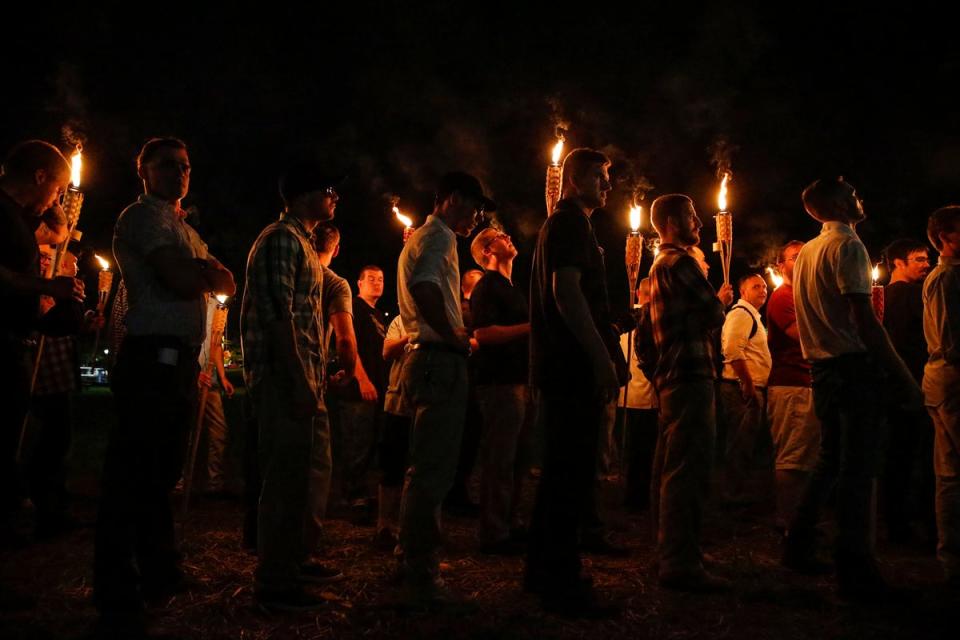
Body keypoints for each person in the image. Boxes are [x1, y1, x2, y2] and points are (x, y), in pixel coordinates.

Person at [95, 137, 235, 633]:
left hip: (177, 362)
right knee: (133, 472)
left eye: (185, 166)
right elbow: (182, 281)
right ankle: (116, 584)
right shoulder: (142, 217)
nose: (179, 173)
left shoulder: (183, 228)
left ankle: (159, 570)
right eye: (168, 165)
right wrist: (201, 271)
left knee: (160, 473)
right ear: (145, 172)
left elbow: (228, 283)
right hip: (149, 358)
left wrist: (198, 269)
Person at [782, 177, 921, 601]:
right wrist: (900, 374)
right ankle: (855, 568)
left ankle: (797, 544)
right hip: (852, 367)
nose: (861, 198)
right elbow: (863, 318)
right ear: (840, 203)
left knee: (830, 459)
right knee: (858, 469)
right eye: (854, 194)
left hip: (822, 367)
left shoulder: (807, 252)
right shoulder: (848, 247)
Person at [526, 148, 626, 616]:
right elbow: (566, 293)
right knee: (571, 472)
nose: (608, 185)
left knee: (561, 472)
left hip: (564, 366)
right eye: (601, 176)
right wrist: (600, 357)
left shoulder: (570, 224)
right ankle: (561, 580)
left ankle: (541, 569)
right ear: (574, 179)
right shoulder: (567, 223)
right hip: (571, 367)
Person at [241, 162, 343, 611]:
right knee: (284, 481)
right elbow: (277, 314)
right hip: (285, 380)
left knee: (304, 477)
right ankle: (275, 582)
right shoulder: (281, 238)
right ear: (303, 196)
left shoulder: (302, 241)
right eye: (327, 189)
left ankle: (293, 561)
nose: (334, 197)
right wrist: (299, 381)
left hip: (305, 379)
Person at [395, 171, 493, 608]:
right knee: (433, 469)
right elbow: (424, 286)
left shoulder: (422, 238)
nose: (478, 216)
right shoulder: (440, 238)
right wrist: (453, 336)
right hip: (437, 359)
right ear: (453, 199)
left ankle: (410, 557)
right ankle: (421, 572)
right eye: (475, 206)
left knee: (422, 466)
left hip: (424, 359)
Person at [648, 194, 734, 592]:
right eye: (690, 216)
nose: (698, 222)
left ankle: (672, 550)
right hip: (691, 372)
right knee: (688, 469)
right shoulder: (681, 262)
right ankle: (680, 562)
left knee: (672, 466)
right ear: (669, 221)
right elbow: (712, 315)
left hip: (672, 375)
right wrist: (721, 300)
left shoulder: (660, 265)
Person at [469, 227, 533, 554]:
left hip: (520, 381)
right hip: (499, 383)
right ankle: (493, 533)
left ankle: (510, 523)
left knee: (518, 459)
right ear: (486, 251)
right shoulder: (486, 288)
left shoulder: (513, 287)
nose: (507, 236)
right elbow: (483, 334)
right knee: (500, 458)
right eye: (498, 236)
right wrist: (531, 327)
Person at [881, 238, 935, 544]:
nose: (926, 264)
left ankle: (896, 521)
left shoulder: (881, 298)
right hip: (913, 383)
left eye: (926, 259)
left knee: (896, 454)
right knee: (914, 455)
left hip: (894, 384)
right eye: (918, 259)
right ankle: (914, 522)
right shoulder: (913, 295)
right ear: (898, 263)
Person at [766, 241, 820, 531]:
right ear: (781, 265)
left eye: (806, 257)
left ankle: (801, 520)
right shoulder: (783, 297)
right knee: (793, 456)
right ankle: (788, 521)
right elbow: (803, 334)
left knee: (808, 456)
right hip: (791, 386)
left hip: (808, 384)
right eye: (796, 258)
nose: (802, 262)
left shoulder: (804, 296)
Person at [921, 206, 960, 587]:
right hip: (952, 381)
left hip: (943, 380)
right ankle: (952, 557)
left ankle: (951, 557)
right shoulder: (948, 279)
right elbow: (952, 342)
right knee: (950, 472)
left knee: (950, 472)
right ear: (946, 236)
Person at [717, 273, 771, 503]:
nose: (763, 290)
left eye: (764, 286)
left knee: (745, 443)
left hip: (746, 387)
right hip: (741, 390)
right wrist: (747, 383)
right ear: (743, 292)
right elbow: (731, 350)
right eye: (756, 286)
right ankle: (731, 496)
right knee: (740, 443)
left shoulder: (753, 316)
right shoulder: (741, 314)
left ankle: (737, 492)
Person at [338, 265, 388, 517]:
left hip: (377, 389)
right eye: (371, 279)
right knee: (356, 443)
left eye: (380, 279)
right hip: (358, 390)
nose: (377, 283)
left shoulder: (377, 314)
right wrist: (362, 379)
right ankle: (350, 497)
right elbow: (350, 346)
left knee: (369, 443)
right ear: (359, 283)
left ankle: (363, 494)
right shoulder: (355, 309)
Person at [620, 278, 659, 512]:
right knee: (640, 451)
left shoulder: (639, 320)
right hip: (640, 395)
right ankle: (636, 497)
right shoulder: (640, 321)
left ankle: (639, 494)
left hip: (640, 396)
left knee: (643, 450)